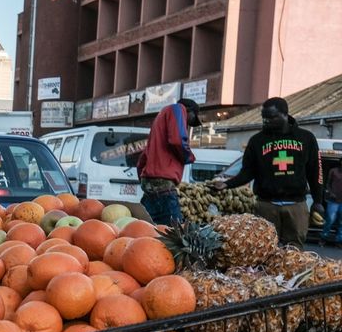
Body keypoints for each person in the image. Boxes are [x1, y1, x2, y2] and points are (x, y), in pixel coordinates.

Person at [215, 97, 321, 246]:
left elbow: (315, 171)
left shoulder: (306, 138)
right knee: (265, 247)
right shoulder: (257, 141)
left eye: (271, 117)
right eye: (264, 118)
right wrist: (227, 184)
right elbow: (247, 172)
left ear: (285, 114)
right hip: (266, 205)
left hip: (296, 204)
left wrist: (318, 201)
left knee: (294, 250)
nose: (266, 121)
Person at [137, 98, 201, 226]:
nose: (187, 125)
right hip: (163, 183)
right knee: (174, 232)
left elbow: (143, 157)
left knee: (147, 227)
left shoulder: (160, 118)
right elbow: (177, 140)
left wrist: (144, 177)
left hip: (150, 182)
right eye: (192, 120)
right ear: (189, 111)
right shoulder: (177, 109)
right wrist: (188, 157)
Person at [322, 164, 342, 246]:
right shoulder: (333, 171)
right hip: (333, 200)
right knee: (330, 219)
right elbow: (327, 184)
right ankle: (324, 237)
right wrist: (331, 193)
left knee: (341, 222)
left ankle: (339, 240)